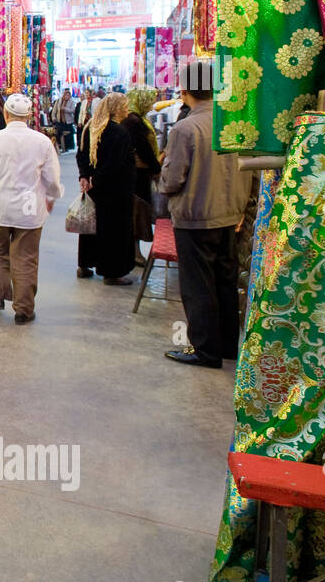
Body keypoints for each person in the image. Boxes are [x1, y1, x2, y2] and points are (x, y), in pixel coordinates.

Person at [157, 61, 254, 368]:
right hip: (230, 215)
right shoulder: (234, 124)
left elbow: (173, 179)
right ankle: (226, 345)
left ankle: (205, 350)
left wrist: (163, 183)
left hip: (195, 217)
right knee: (224, 282)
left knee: (198, 285)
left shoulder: (185, 129)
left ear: (185, 91)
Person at [0, 94, 63, 323]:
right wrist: (51, 197)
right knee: (26, 257)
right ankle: (23, 310)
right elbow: (52, 178)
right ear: (29, 115)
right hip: (30, 210)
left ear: (6, 114)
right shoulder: (41, 142)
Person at [76, 92, 136, 285]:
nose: (127, 110)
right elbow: (115, 163)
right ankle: (112, 272)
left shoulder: (91, 127)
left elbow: (81, 155)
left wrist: (86, 177)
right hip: (115, 190)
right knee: (114, 229)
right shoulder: (119, 132)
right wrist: (97, 179)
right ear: (116, 109)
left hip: (94, 187)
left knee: (90, 226)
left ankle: (85, 264)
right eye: (124, 106)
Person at [123, 88, 163, 260]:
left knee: (138, 211)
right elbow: (143, 148)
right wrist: (156, 166)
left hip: (139, 172)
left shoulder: (137, 119)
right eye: (149, 100)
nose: (152, 104)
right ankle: (134, 252)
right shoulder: (133, 121)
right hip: (138, 173)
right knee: (137, 212)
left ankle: (135, 251)